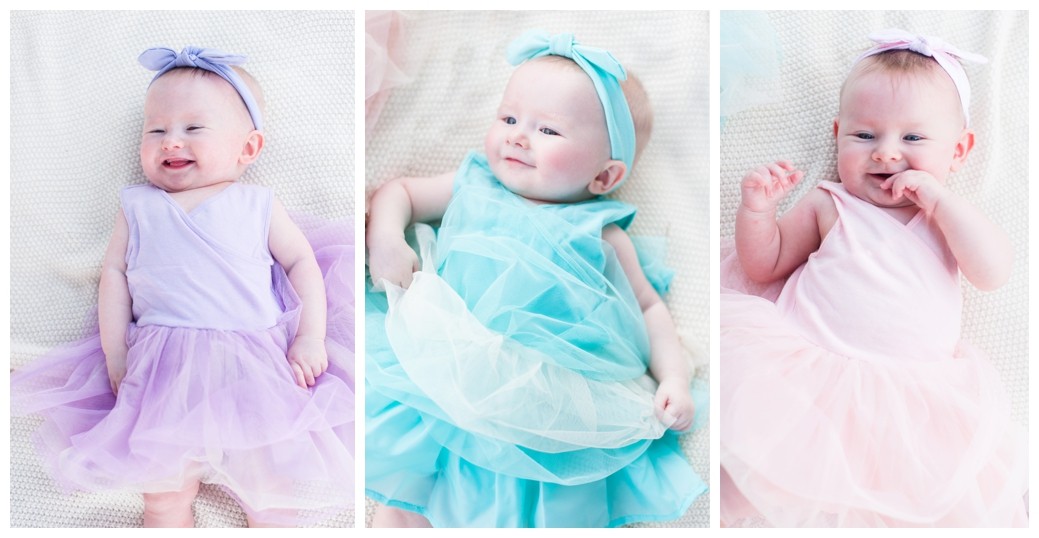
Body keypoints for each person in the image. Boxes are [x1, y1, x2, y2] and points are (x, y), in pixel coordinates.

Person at [365, 31, 707, 528]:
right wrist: (387, 241)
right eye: (508, 118)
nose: (517, 136)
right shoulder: (473, 182)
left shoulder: (604, 233)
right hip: (450, 363)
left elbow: (650, 308)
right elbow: (400, 193)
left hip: (551, 401)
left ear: (605, 177)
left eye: (548, 130)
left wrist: (674, 378)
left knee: (532, 496)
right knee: (413, 488)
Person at [10, 46, 355, 528]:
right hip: (161, 370)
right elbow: (115, 279)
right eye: (156, 130)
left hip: (251, 367)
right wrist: (116, 353)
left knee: (269, 493)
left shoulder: (256, 204)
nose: (171, 141)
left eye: (193, 129)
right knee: (164, 496)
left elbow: (301, 263)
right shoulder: (137, 208)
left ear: (248, 149)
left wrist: (310, 336)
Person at [720, 30, 1028, 527]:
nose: (886, 154)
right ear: (837, 134)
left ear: (959, 150)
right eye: (865, 136)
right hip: (806, 377)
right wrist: (758, 210)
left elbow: (991, 273)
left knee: (896, 503)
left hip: (911, 401)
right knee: (774, 482)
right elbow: (765, 265)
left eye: (913, 138)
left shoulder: (946, 219)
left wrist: (941, 201)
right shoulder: (831, 203)